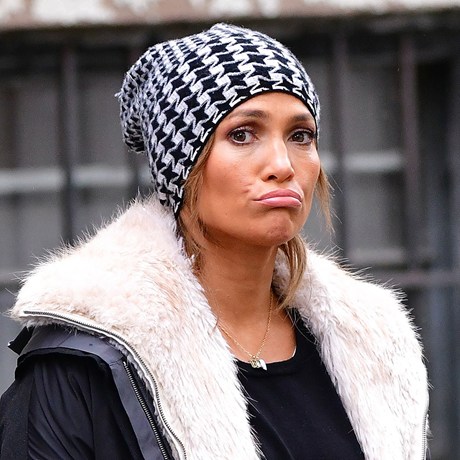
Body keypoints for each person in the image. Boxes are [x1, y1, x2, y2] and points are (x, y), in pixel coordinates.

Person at [0, 23, 429, 460]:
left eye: (300, 135)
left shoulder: (373, 345)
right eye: (242, 134)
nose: (283, 165)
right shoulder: (85, 362)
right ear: (181, 167)